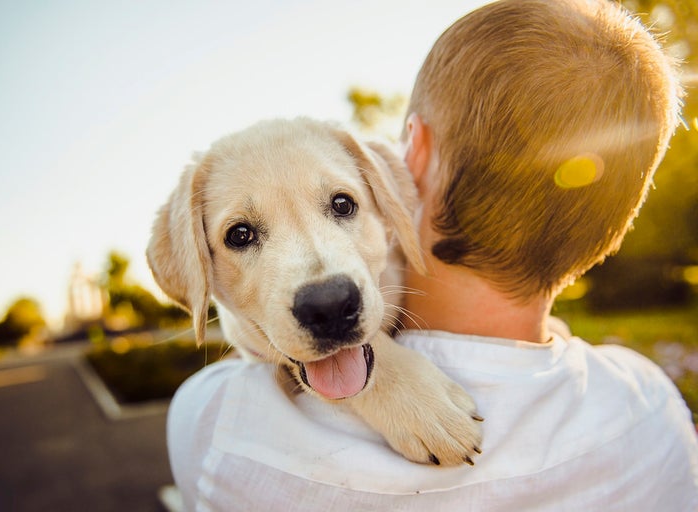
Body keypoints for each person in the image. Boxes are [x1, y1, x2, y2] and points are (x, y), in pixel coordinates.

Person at [166, 0, 698, 510]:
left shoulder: (216, 423)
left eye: (341, 204)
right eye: (242, 236)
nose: (323, 285)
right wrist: (381, 374)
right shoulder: (652, 409)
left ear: (409, 160)